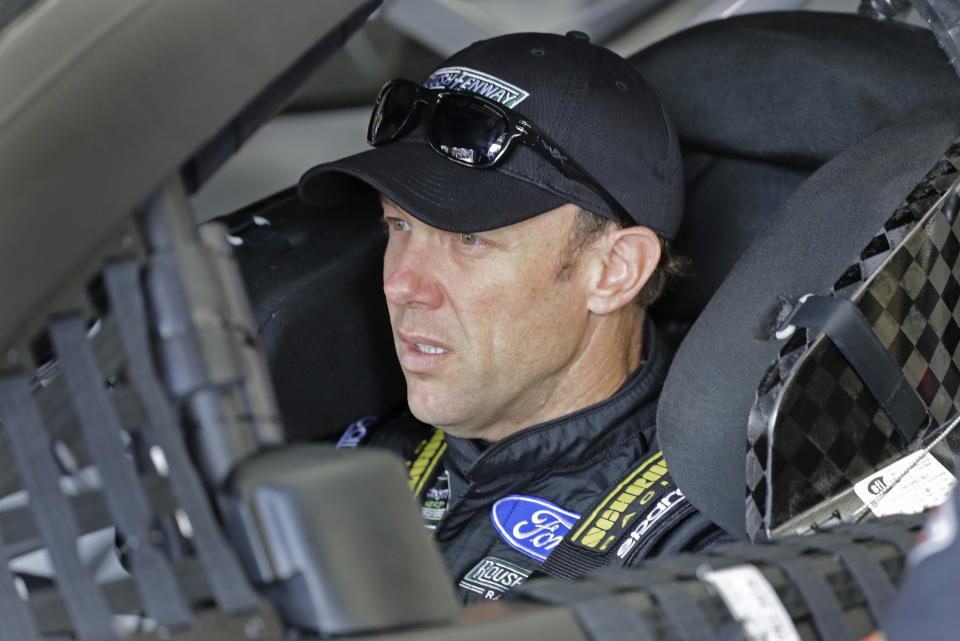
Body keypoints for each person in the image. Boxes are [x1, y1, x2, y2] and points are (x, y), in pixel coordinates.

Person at [298, 30, 726, 603]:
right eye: (397, 226)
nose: (401, 284)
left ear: (615, 271)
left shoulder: (697, 546)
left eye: (469, 240)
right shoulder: (358, 450)